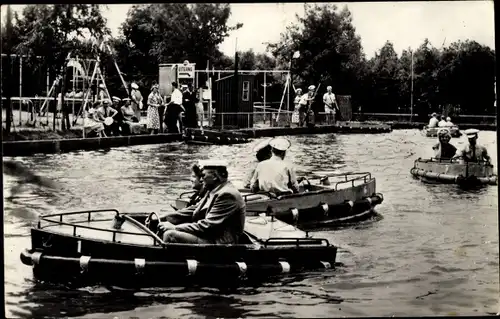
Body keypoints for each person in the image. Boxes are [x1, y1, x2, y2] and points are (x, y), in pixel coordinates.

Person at [158, 160, 246, 244]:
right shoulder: (213, 189)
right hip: (210, 236)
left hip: (219, 242)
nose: (200, 179)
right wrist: (166, 217)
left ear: (215, 176)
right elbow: (194, 209)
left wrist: (175, 227)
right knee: (165, 227)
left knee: (170, 235)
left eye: (203, 175)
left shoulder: (227, 195)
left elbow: (207, 225)